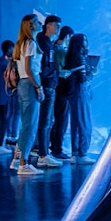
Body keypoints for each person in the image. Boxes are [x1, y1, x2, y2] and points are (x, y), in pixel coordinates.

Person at [11, 14, 44, 175]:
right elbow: (30, 68)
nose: (40, 24)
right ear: (31, 25)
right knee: (30, 125)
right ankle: (23, 164)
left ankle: (19, 160)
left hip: (22, 84)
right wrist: (38, 87)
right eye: (37, 22)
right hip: (30, 84)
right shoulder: (30, 43)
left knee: (25, 123)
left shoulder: (20, 43)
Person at [33, 15, 64, 169]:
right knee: (45, 121)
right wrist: (55, 74)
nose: (58, 30)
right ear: (50, 26)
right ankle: (43, 155)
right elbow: (44, 67)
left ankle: (44, 152)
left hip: (49, 84)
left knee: (48, 121)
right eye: (57, 26)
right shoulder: (43, 43)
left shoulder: (47, 43)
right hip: (47, 85)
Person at [64, 33, 96, 164]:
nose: (87, 42)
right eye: (85, 40)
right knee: (85, 122)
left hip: (72, 93)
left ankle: (75, 154)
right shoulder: (80, 58)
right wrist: (92, 73)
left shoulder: (70, 56)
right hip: (80, 92)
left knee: (75, 123)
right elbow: (83, 79)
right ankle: (83, 153)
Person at [49, 25, 74, 159]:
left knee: (57, 119)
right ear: (68, 37)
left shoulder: (54, 48)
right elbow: (60, 69)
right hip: (62, 88)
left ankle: (54, 146)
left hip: (56, 88)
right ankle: (57, 148)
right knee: (61, 119)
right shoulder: (60, 51)